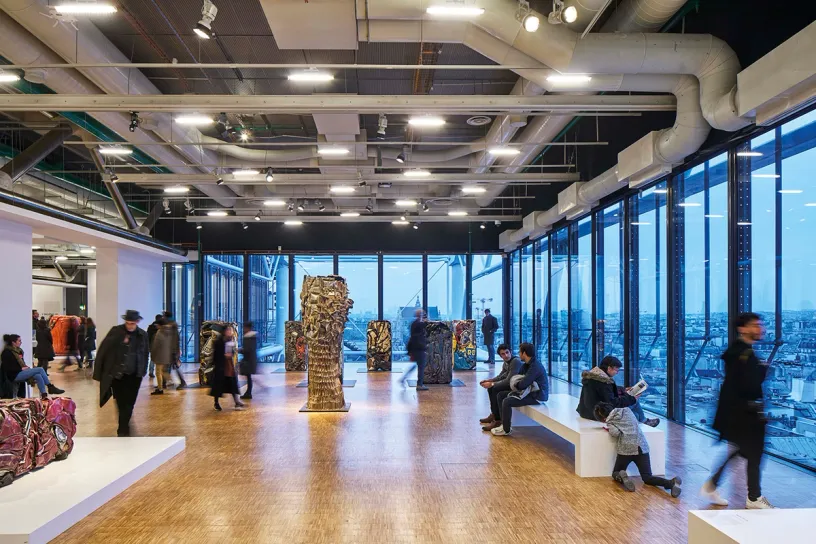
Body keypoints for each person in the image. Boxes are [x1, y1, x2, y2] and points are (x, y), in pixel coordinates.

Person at [700, 312, 774, 510]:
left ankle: (714, 485)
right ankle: (754, 497)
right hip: (747, 413)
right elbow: (748, 385)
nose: (760, 329)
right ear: (742, 329)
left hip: (738, 414)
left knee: (742, 451)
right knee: (754, 453)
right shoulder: (744, 355)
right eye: (755, 325)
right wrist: (762, 371)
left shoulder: (738, 352)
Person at [594, 402, 682, 497]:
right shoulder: (627, 410)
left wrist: (609, 425)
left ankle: (621, 475)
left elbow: (615, 434)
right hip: (642, 447)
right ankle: (671, 483)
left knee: (616, 472)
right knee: (647, 477)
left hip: (626, 449)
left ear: (603, 418)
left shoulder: (610, 421)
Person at [93, 310, 149, 437]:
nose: (130, 325)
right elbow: (104, 350)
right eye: (128, 323)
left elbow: (145, 353)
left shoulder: (142, 335)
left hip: (135, 376)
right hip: (118, 375)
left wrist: (143, 370)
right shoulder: (116, 332)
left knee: (130, 402)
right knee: (121, 402)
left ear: (137, 322)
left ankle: (124, 426)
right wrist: (99, 372)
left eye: (132, 323)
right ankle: (123, 429)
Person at [576, 356, 660, 428]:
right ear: (609, 368)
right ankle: (644, 421)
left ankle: (643, 421)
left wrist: (623, 390)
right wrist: (631, 398)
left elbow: (606, 392)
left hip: (586, 411)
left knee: (635, 414)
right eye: (616, 370)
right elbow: (613, 403)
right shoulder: (603, 382)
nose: (617, 372)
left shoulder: (594, 377)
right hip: (598, 414)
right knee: (635, 407)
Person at [491, 342, 548, 436]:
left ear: (524, 353)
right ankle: (503, 424)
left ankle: (506, 429)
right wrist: (517, 384)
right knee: (500, 395)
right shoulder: (526, 365)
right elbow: (519, 380)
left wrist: (516, 384)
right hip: (528, 392)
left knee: (507, 401)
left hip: (537, 396)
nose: (518, 354)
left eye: (520, 352)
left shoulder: (535, 366)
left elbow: (522, 384)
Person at [1, 334, 64, 399]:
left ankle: (44, 395)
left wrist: (25, 368)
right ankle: (50, 387)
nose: (21, 342)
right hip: (13, 375)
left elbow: (21, 363)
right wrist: (21, 368)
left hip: (20, 372)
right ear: (13, 342)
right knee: (40, 369)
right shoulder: (7, 353)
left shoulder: (19, 351)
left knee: (38, 375)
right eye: (19, 341)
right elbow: (7, 367)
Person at [479, 344, 522, 431]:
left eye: (507, 352)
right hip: (511, 384)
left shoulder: (515, 361)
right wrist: (490, 380)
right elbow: (501, 376)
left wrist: (492, 384)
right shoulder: (506, 363)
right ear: (500, 355)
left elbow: (509, 380)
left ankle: (497, 420)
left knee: (495, 389)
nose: (506, 355)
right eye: (503, 354)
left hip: (517, 387)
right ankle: (494, 414)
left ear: (510, 352)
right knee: (491, 388)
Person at [209, 325, 244, 411]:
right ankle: (216, 403)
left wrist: (230, 354)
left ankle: (236, 401)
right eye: (229, 330)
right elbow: (216, 355)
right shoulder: (219, 342)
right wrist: (223, 356)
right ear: (224, 332)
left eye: (230, 331)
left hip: (228, 366)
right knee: (218, 387)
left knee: (232, 384)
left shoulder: (230, 340)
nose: (230, 332)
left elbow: (231, 352)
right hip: (221, 366)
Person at [402, 309, 428, 391]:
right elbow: (424, 325)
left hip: (414, 348)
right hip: (419, 348)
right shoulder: (418, 324)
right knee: (421, 366)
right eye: (422, 314)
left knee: (415, 366)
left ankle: (403, 379)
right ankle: (419, 384)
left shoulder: (414, 323)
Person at [162, 311, 187, 390]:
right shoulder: (172, 325)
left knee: (169, 367)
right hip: (172, 350)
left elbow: (173, 340)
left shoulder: (171, 326)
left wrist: (173, 351)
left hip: (171, 350)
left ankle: (170, 382)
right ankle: (165, 383)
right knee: (173, 366)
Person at [150, 318, 175, 395]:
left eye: (157, 325)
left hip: (160, 355)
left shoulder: (159, 332)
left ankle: (160, 388)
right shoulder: (170, 331)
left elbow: (156, 345)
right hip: (167, 354)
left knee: (158, 372)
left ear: (160, 325)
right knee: (163, 371)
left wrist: (152, 355)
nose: (156, 326)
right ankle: (170, 380)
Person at [239, 322, 258, 400]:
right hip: (251, 360)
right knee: (248, 377)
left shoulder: (248, 337)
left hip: (248, 361)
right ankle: (248, 392)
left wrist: (240, 350)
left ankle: (248, 392)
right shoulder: (253, 337)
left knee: (248, 377)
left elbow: (247, 350)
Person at [146, 314, 163, 379]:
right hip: (158, 346)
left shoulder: (150, 327)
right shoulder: (160, 328)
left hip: (151, 345)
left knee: (152, 359)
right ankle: (160, 372)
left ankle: (151, 371)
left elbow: (148, 337)